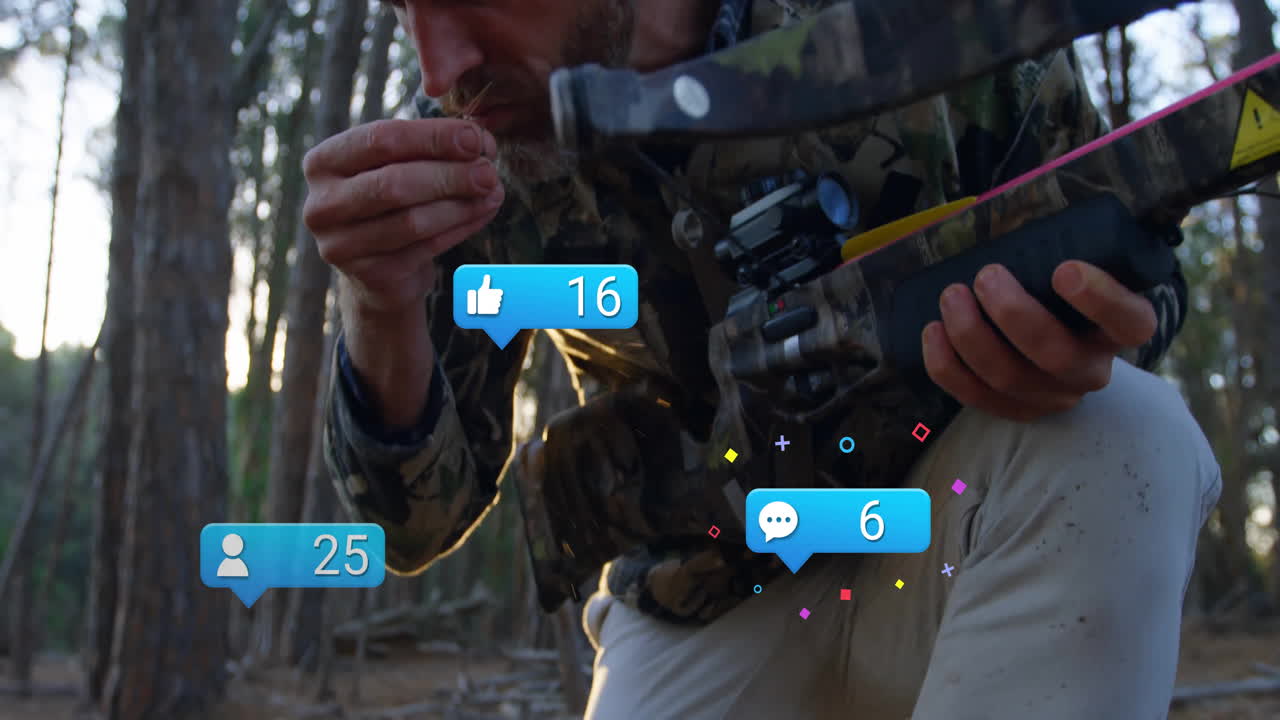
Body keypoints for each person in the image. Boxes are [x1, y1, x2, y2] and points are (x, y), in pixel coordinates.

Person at [304, 0, 1222, 717]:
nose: (440, 65)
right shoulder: (466, 146)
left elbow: (1136, 249)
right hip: (708, 594)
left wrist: (1086, 337)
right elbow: (409, 530)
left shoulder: (911, 28)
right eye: (399, 13)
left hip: (955, 535)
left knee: (1126, 436)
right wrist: (379, 304)